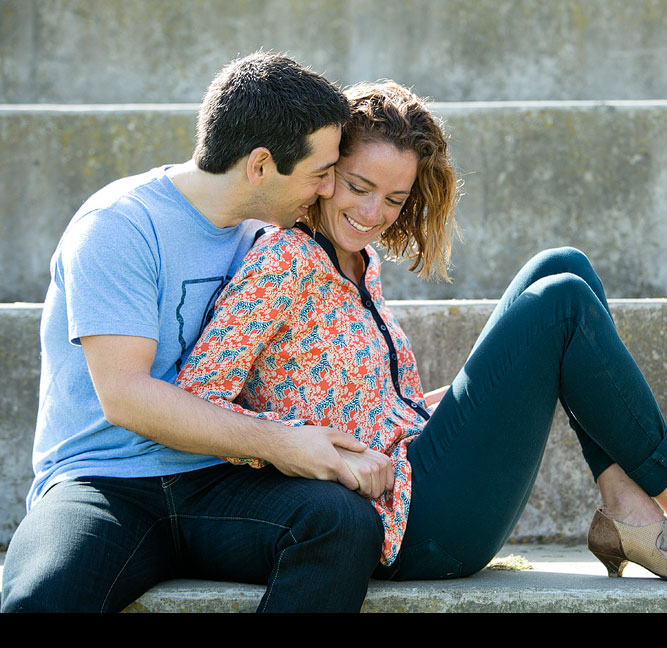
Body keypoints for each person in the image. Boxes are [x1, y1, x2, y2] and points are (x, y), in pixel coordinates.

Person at [176, 81, 667, 585]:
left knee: (562, 267)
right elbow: (197, 399)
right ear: (324, 168)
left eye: (395, 199)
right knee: (560, 301)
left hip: (422, 468)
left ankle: (625, 503)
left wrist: (475, 395)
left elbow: (370, 403)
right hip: (411, 524)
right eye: (358, 187)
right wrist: (307, 449)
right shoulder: (284, 258)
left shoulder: (357, 263)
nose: (372, 215)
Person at [1, 52, 387, 613]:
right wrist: (286, 443)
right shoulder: (119, 225)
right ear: (260, 166)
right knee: (42, 598)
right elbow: (127, 398)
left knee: (342, 523)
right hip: (105, 484)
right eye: (320, 173)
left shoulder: (273, 237)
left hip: (216, 478)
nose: (328, 190)